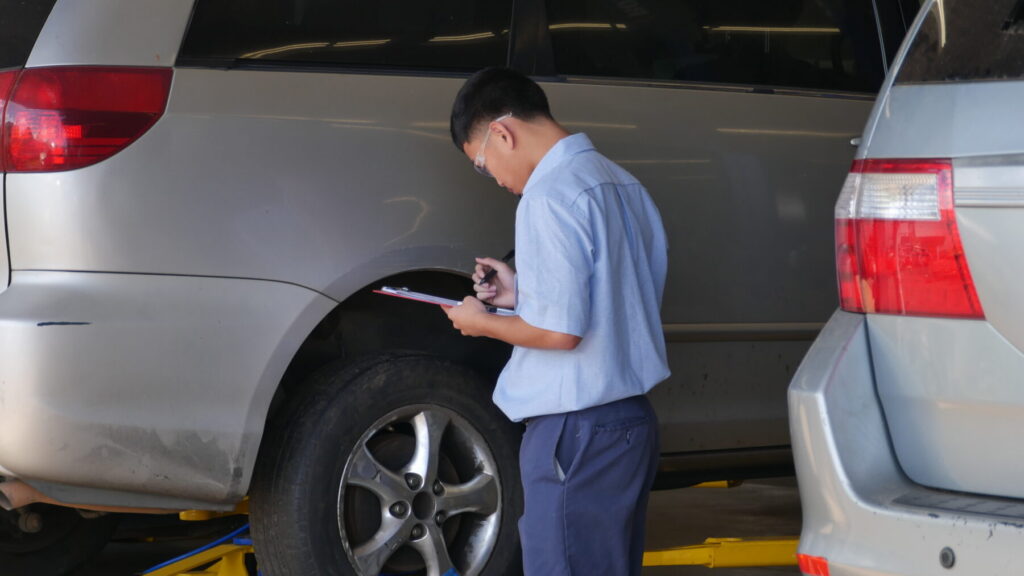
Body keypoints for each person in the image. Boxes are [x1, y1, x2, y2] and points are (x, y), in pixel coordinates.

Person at [444, 67, 670, 576]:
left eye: (483, 164)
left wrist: (480, 322)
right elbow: (620, 301)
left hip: (577, 430)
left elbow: (560, 333)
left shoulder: (547, 197)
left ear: (503, 133)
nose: (496, 179)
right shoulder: (622, 182)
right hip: (629, 423)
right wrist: (519, 293)